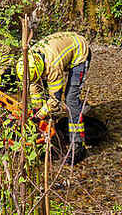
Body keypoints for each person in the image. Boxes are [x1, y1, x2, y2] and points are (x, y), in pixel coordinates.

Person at [15, 31, 91, 164]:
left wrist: (40, 115)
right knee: (46, 98)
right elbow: (35, 90)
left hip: (79, 52)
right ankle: (75, 113)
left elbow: (55, 100)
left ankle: (78, 145)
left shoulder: (52, 66)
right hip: (62, 50)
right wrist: (37, 112)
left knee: (70, 99)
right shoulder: (28, 62)